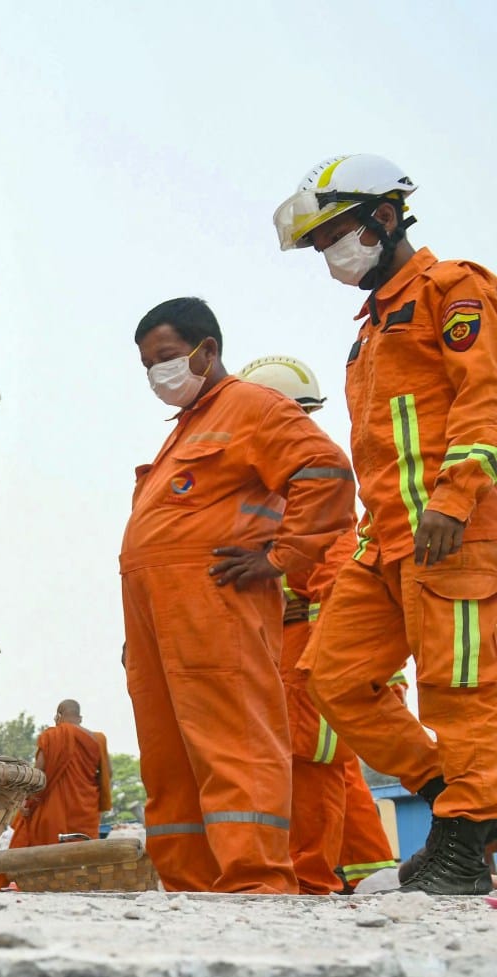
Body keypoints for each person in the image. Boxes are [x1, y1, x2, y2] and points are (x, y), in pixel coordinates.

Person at [275, 154, 497, 894]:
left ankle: (465, 845)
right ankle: (457, 804)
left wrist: (455, 499)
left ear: (385, 216)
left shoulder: (452, 289)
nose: (330, 254)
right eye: (319, 243)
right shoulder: (370, 327)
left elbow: (483, 398)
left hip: (454, 531)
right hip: (387, 541)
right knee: (332, 679)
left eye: (336, 233)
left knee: (459, 691)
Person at [122, 298, 355, 893]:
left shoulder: (251, 407)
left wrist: (281, 558)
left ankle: (255, 879)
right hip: (160, 611)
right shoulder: (190, 427)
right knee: (168, 753)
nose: (157, 374)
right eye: (148, 364)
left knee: (233, 740)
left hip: (215, 602)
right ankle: (188, 881)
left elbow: (325, 471)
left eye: (167, 358)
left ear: (208, 351)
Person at [237, 355, 398, 895]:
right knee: (326, 765)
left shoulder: (310, 483)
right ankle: (359, 872)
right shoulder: (271, 480)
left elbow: (335, 566)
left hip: (311, 644)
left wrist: (354, 650)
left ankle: (311, 879)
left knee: (312, 761)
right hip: (284, 645)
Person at [19, 701, 111, 845]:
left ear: (58, 716)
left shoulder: (52, 736)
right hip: (86, 811)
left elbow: (37, 773)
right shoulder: (98, 740)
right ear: (80, 718)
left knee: (51, 858)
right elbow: (107, 773)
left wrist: (27, 800)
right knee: (84, 855)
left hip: (55, 811)